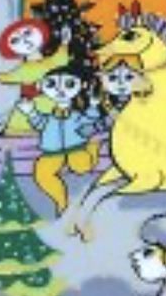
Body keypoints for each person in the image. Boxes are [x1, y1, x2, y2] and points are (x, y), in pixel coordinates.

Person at [19, 64, 105, 214]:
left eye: (69, 84)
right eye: (51, 84)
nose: (60, 90)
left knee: (81, 167)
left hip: (76, 147)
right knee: (42, 174)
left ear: (82, 85)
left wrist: (93, 106)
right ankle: (61, 202)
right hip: (51, 151)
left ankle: (93, 149)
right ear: (41, 87)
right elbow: (40, 124)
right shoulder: (49, 117)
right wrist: (31, 112)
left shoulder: (76, 115)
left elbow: (89, 118)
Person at [0, 18, 70, 136]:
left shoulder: (51, 61)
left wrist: (65, 42)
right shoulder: (23, 69)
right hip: (33, 103)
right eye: (16, 40)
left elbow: (61, 58)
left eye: (27, 33)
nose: (25, 41)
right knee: (22, 114)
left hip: (53, 100)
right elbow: (9, 77)